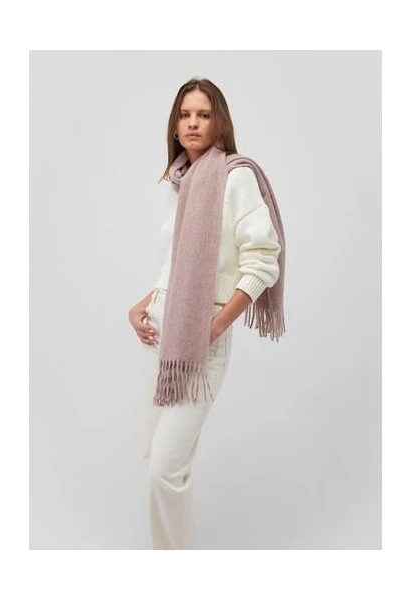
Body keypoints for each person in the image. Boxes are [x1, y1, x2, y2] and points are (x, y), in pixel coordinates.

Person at [128, 78, 286, 550]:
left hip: (200, 340)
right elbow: (178, 266)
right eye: (185, 115)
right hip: (163, 332)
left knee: (163, 472)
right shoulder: (181, 182)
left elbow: (263, 261)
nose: (193, 123)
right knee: (168, 467)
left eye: (203, 114)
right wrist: (144, 303)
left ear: (220, 122)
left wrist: (214, 326)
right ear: (174, 126)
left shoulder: (235, 177)